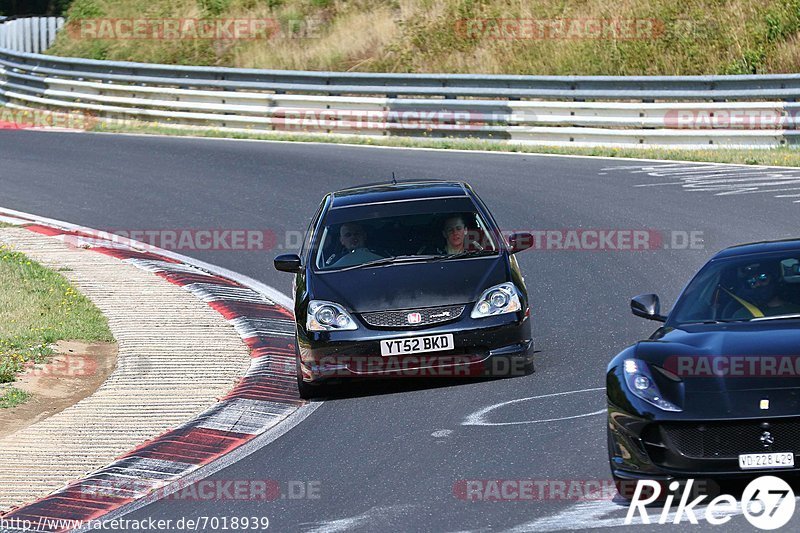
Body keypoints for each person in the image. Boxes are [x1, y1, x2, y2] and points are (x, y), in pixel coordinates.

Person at [729, 262, 800, 318]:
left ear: (774, 279)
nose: (758, 284)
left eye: (763, 278)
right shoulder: (741, 315)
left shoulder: (795, 311)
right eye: (752, 281)